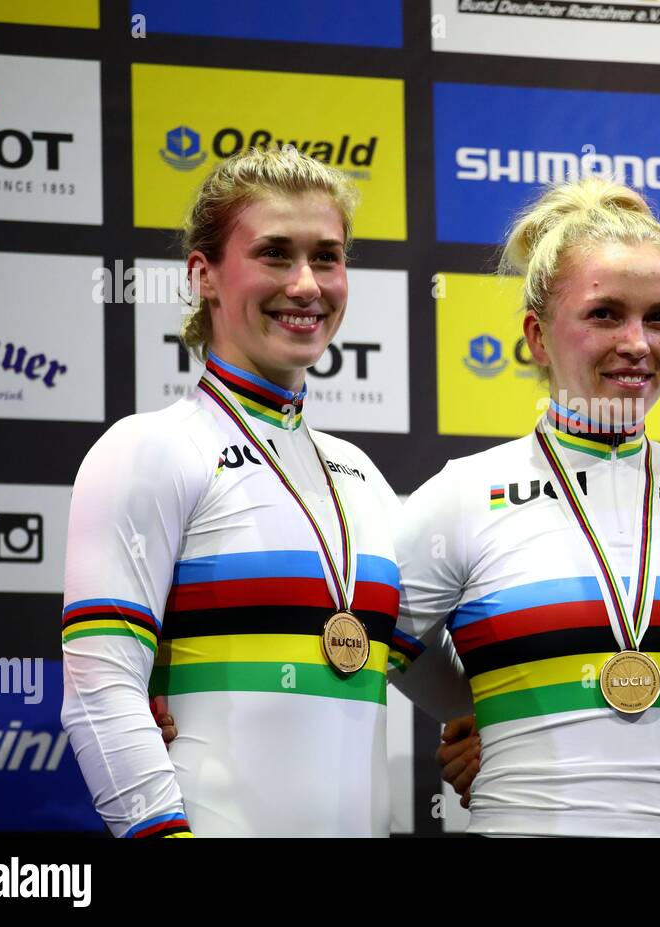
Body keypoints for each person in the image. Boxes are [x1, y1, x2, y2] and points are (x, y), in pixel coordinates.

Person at [61, 147, 469, 838]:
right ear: (204, 275)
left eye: (328, 256)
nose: (307, 284)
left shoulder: (362, 478)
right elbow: (100, 691)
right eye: (276, 254)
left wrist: (504, 724)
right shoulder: (150, 449)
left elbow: (432, 674)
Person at [393, 177, 660, 836]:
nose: (636, 342)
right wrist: (483, 707)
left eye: (659, 316)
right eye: (605, 313)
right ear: (539, 336)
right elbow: (382, 644)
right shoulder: (463, 495)